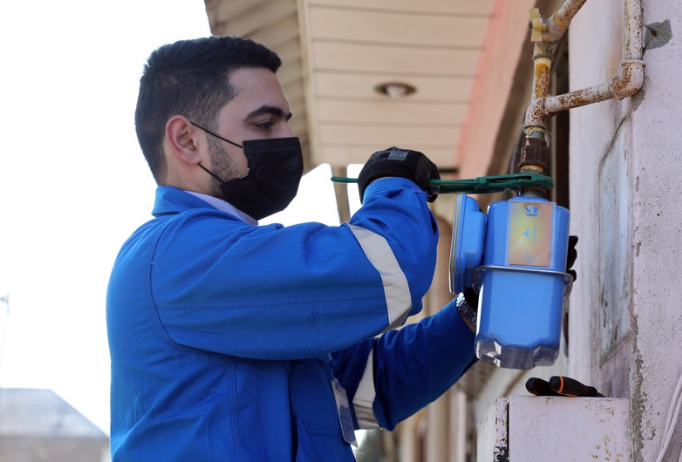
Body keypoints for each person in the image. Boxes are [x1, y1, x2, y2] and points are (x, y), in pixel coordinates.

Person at [106, 36, 477, 462]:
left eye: (286, 121)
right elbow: (388, 267)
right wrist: (393, 183)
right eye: (265, 125)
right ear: (187, 140)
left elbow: (371, 385)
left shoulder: (243, 288)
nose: (288, 138)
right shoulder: (175, 255)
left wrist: (473, 311)